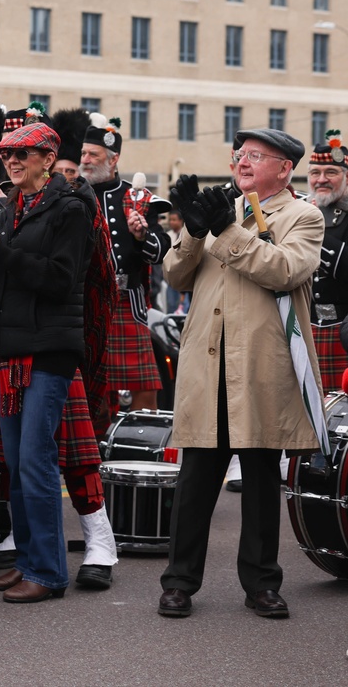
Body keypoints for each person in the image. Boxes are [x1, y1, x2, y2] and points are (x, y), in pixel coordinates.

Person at [159, 128, 325, 619]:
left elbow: (284, 269)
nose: (243, 161)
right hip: (209, 365)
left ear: (283, 168)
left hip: (258, 367)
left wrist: (222, 231)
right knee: (195, 483)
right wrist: (192, 229)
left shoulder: (304, 215)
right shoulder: (219, 209)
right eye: (240, 154)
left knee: (258, 483)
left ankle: (261, 585)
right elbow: (174, 275)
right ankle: (178, 583)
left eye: (256, 155)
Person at [0, 121, 98, 603]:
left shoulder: (72, 207)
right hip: (9, 349)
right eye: (5, 155)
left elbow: (59, 280)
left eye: (22, 153)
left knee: (37, 462)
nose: (11, 162)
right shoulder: (9, 207)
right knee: (17, 464)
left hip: (48, 352)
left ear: (47, 157)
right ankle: (27, 563)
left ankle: (47, 572)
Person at [79, 114, 171, 413]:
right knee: (91, 391)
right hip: (86, 304)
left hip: (127, 305)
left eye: (93, 154)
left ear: (113, 158)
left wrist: (142, 236)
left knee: (142, 395)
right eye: (83, 153)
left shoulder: (138, 196)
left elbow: (161, 252)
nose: (86, 160)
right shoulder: (74, 195)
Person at [306, 129, 348, 392]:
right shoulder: (298, 211)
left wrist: (313, 227)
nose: (322, 179)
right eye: (315, 173)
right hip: (306, 328)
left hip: (345, 333)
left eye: (331, 172)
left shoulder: (305, 216)